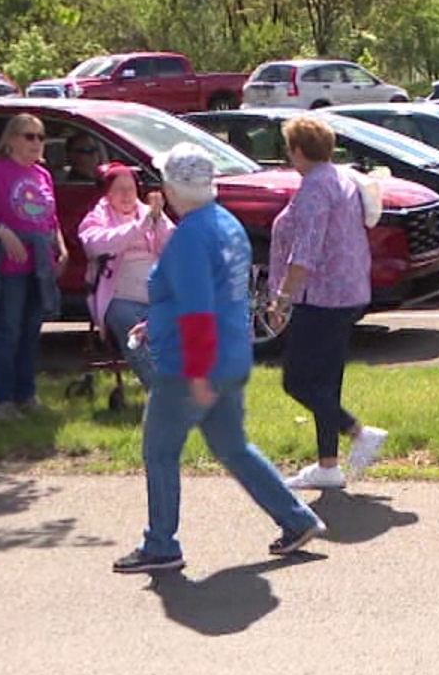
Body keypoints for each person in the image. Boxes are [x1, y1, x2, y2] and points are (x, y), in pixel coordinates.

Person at [113, 146, 327, 574]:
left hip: (190, 365)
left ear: (174, 188)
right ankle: (297, 518)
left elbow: (195, 306)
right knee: (233, 447)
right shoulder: (227, 226)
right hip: (231, 354)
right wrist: (156, 324)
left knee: (159, 451)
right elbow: (207, 295)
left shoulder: (191, 235)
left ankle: (160, 545)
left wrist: (194, 371)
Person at [268, 115, 389, 491]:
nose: (289, 155)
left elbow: (305, 251)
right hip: (348, 291)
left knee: (298, 381)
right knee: (325, 381)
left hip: (321, 297)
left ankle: (358, 432)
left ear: (298, 150)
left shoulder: (316, 189)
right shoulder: (339, 178)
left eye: (289, 148)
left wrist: (283, 298)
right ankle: (328, 465)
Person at [0, 112, 65, 422]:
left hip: (39, 267)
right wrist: (3, 233)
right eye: (28, 136)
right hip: (9, 270)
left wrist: (61, 248)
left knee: (31, 333)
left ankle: (26, 394)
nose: (36, 142)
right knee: (8, 332)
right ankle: (1, 402)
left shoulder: (42, 175)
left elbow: (50, 218)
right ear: (10, 140)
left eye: (40, 136)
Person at [77, 164, 173, 390]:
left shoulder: (147, 212)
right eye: (119, 189)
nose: (126, 195)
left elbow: (174, 246)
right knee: (133, 332)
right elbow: (94, 244)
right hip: (119, 298)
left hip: (157, 296)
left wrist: (158, 221)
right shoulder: (97, 217)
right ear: (107, 193)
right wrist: (139, 228)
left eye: (130, 189)